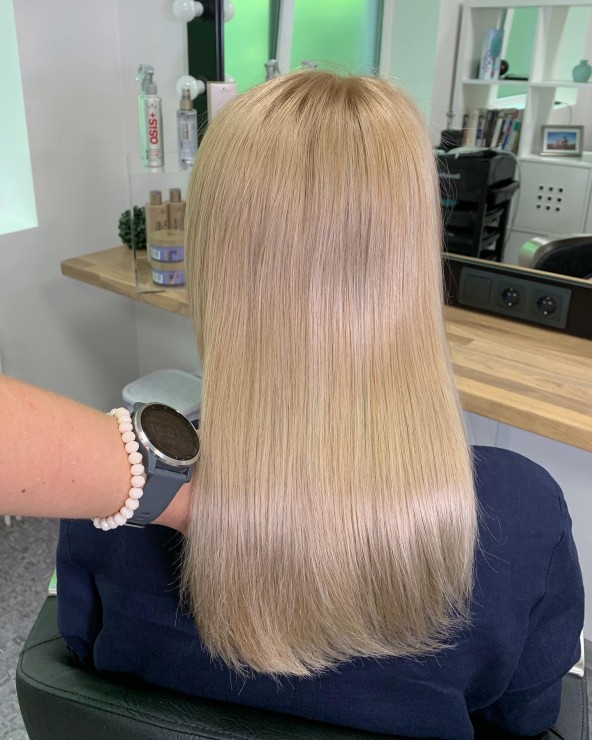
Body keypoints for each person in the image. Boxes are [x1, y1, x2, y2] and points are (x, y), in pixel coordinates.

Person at [3, 72, 584, 739]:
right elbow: (525, 721)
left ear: (213, 262)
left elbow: (83, 654)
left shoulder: (113, 508)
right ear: (413, 261)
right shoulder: (521, 515)